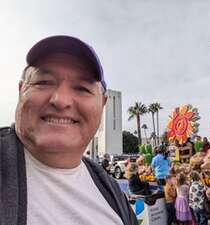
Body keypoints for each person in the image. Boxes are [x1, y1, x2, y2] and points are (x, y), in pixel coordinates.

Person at [0, 35, 138, 225]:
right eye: (43, 82)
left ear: (103, 104)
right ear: (21, 90)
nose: (61, 100)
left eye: (82, 88)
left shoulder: (111, 192)